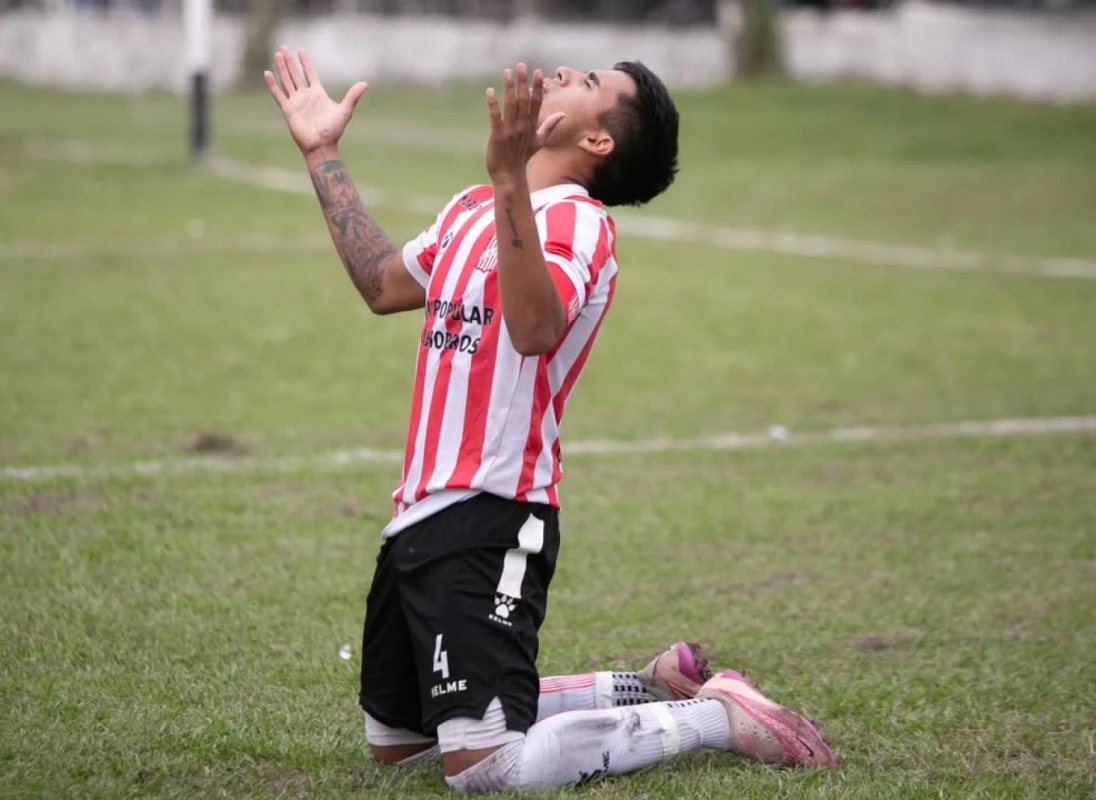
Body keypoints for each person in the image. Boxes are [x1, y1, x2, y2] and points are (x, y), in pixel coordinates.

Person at [263, 45, 837, 794]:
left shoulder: (580, 223)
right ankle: (648, 685)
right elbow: (381, 284)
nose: (566, 73)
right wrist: (323, 153)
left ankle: (721, 718)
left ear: (597, 141)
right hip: (418, 518)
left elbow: (534, 328)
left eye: (591, 82)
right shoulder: (472, 208)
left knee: (487, 772)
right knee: (400, 743)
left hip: (492, 513)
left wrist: (508, 179)